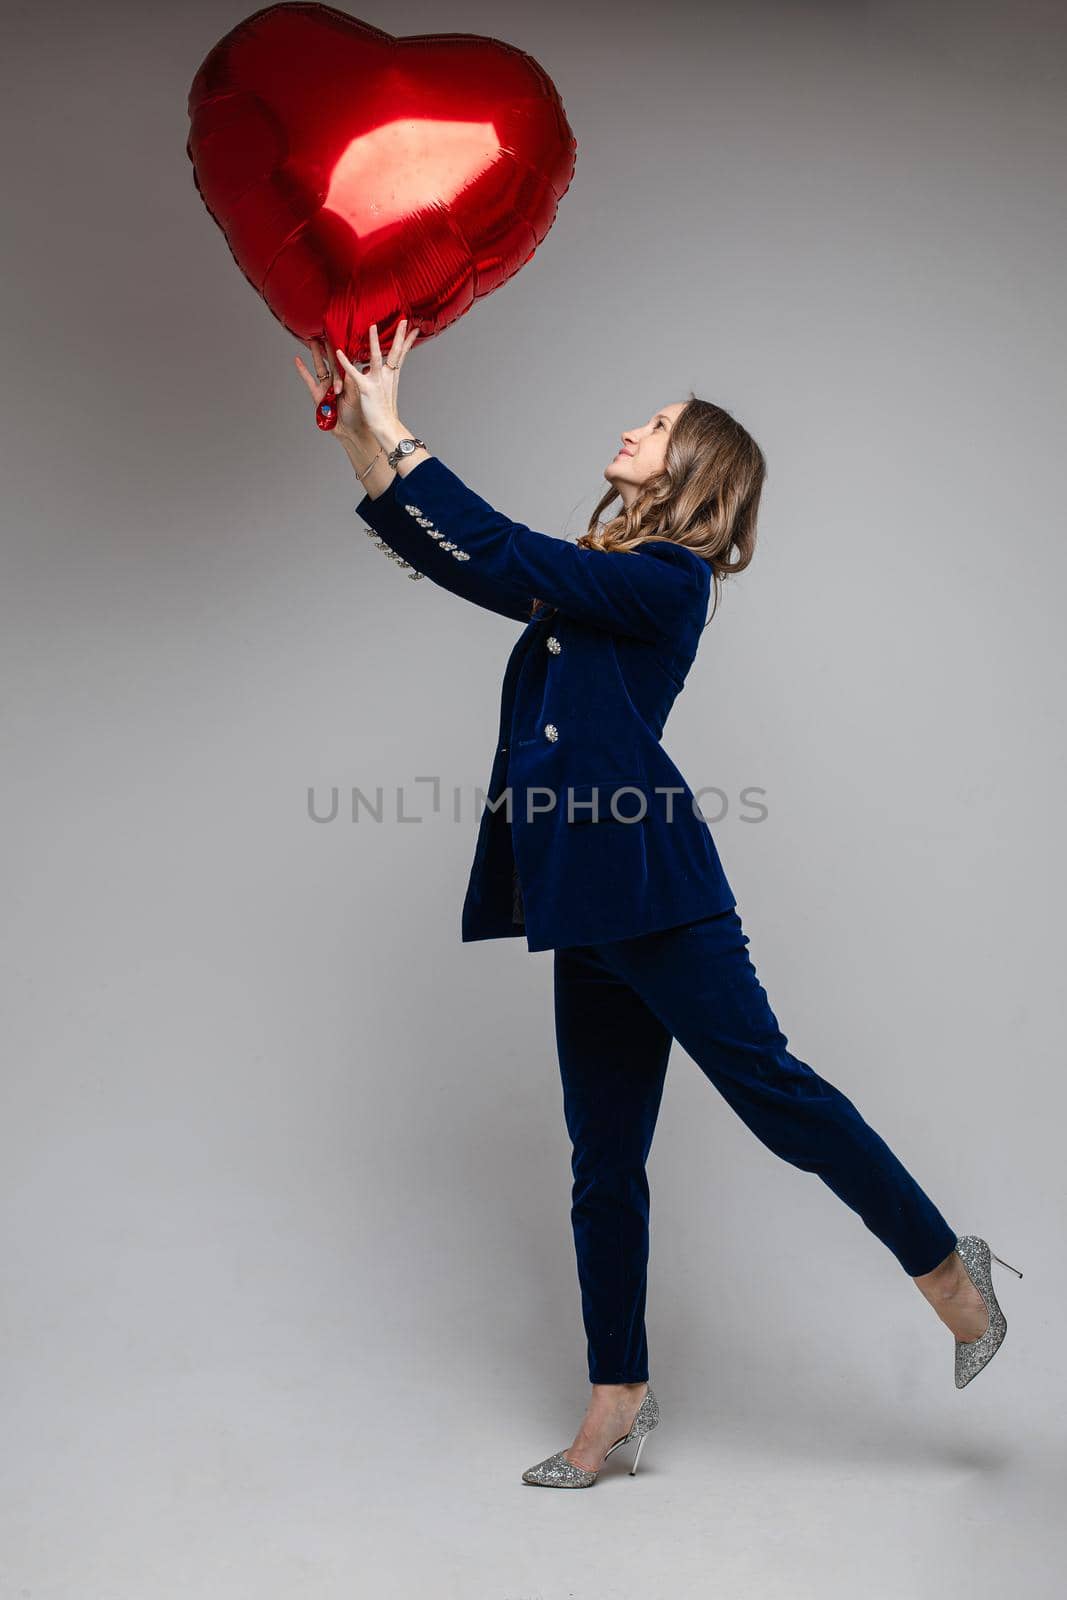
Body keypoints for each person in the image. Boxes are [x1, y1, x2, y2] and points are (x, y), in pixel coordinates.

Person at [294, 320, 1023, 1489]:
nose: (633, 430)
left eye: (660, 426)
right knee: (601, 1161)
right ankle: (616, 1400)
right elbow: (461, 559)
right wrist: (352, 430)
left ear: (694, 473)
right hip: (581, 900)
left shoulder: (662, 585)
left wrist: (401, 428)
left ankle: (948, 1266)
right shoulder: (592, 589)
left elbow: (502, 543)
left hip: (656, 893)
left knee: (776, 1098)